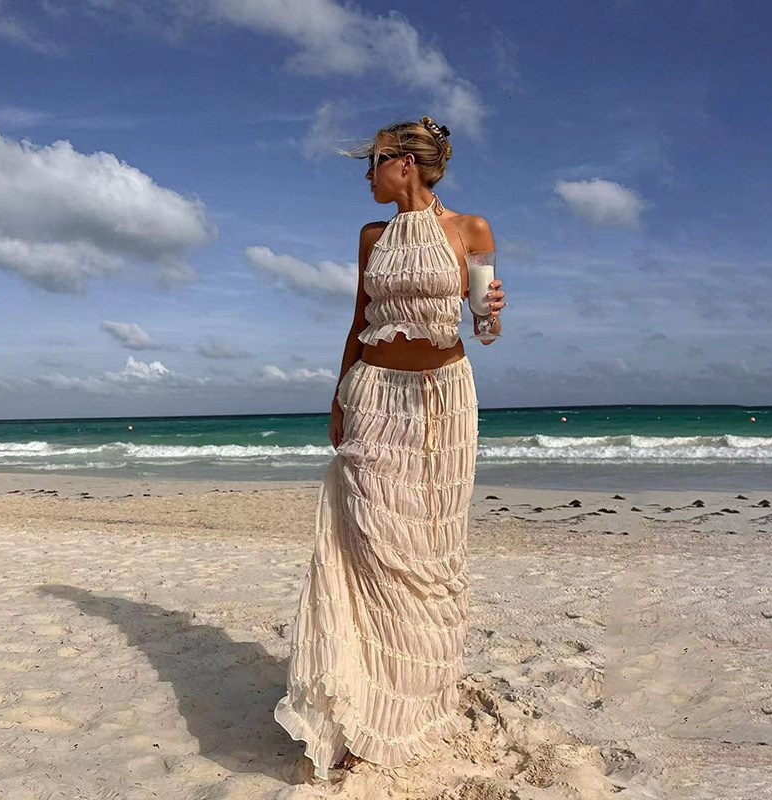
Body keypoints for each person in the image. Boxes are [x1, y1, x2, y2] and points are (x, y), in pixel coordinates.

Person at [273, 115, 506, 780]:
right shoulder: (371, 237)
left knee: (429, 552)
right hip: (374, 394)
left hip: (441, 404)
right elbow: (359, 318)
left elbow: (485, 328)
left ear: (405, 163)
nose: (366, 176)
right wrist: (339, 396)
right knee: (369, 546)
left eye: (372, 161)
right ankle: (363, 711)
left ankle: (419, 700)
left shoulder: (472, 230)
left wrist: (491, 308)